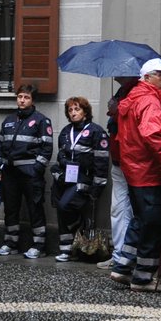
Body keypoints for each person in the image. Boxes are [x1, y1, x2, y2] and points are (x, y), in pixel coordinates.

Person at [109, 58, 161, 290]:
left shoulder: (132, 98)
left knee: (140, 219)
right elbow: (152, 136)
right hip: (147, 172)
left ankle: (123, 267)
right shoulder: (149, 101)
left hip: (134, 170)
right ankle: (143, 277)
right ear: (147, 77)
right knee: (152, 223)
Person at [0, 82, 53, 258]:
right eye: (20, 97)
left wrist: (37, 168)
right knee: (10, 208)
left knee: (35, 208)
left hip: (30, 174)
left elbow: (47, 148)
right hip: (9, 173)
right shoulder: (9, 120)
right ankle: (10, 243)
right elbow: (0, 146)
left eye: (26, 97)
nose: (22, 100)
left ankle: (39, 246)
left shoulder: (42, 120)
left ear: (32, 100)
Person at [51, 96, 110, 262]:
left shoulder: (96, 131)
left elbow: (101, 162)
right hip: (65, 177)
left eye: (77, 109)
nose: (73, 113)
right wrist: (63, 162)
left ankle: (79, 224)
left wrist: (97, 189)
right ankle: (66, 250)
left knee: (65, 206)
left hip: (84, 178)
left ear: (85, 111)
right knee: (59, 206)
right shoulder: (65, 131)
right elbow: (61, 153)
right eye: (70, 110)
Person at [97, 78, 138, 270]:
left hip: (132, 163)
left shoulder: (136, 91)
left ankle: (128, 255)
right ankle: (119, 254)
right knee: (118, 210)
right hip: (118, 161)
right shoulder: (121, 91)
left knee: (131, 211)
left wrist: (118, 107)